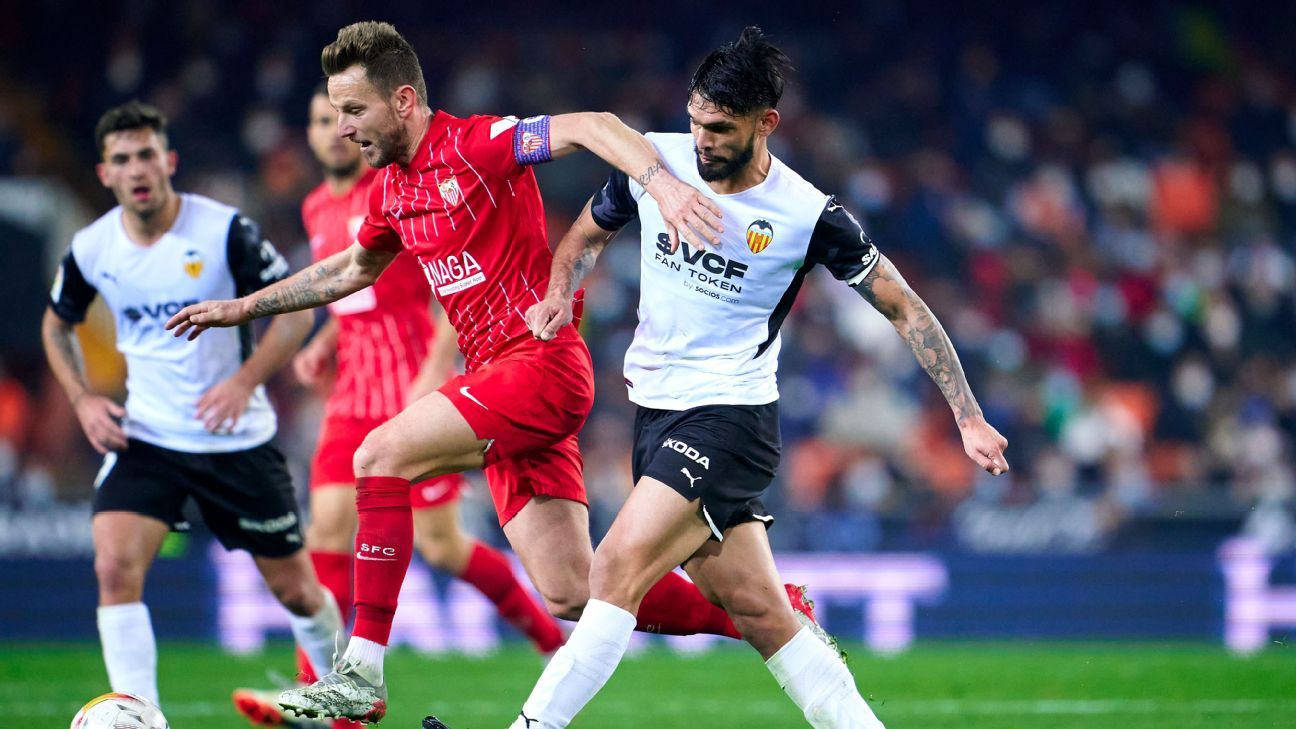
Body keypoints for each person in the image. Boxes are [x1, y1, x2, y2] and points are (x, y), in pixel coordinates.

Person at [167, 21, 820, 724]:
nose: (344, 127)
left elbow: (594, 125)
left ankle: (359, 672)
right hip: (500, 381)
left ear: (404, 101)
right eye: (335, 112)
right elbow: (352, 269)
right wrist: (245, 307)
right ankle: (777, 616)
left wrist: (659, 184)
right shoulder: (390, 191)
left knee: (378, 456)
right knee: (573, 590)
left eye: (354, 109)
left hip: (539, 364)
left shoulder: (477, 145)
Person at [504, 27, 1012, 729]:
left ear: (765, 122)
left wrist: (967, 414)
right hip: (656, 414)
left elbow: (904, 306)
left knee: (613, 567)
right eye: (695, 121)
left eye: (719, 128)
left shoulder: (806, 214)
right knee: (762, 612)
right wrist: (561, 291)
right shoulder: (656, 163)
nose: (702, 140)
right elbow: (586, 234)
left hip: (730, 419)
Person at [232, 85, 568, 729]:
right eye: (322, 120)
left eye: (346, 117)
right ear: (309, 135)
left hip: (409, 386)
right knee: (325, 531)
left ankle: (550, 640)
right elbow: (354, 292)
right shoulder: (314, 206)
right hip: (351, 392)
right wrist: (324, 342)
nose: (336, 130)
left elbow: (449, 283)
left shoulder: (395, 189)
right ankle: (320, 692)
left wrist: (438, 365)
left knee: (442, 546)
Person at [41, 101, 343, 710]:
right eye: (122, 159)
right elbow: (56, 324)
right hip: (147, 436)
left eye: (146, 154)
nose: (137, 168)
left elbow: (295, 313)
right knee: (114, 569)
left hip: (235, 439)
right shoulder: (93, 247)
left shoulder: (224, 231)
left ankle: (341, 694)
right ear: (105, 173)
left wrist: (245, 381)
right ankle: (140, 716)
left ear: (169, 161)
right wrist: (82, 400)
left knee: (297, 591)